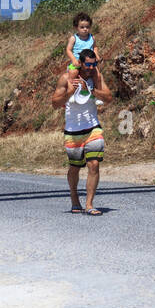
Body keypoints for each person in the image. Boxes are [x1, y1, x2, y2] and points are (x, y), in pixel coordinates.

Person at [51, 49, 112, 214]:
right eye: (88, 64)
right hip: (72, 131)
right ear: (81, 62)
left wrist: (90, 90)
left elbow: (108, 98)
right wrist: (70, 93)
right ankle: (74, 198)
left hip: (93, 128)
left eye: (94, 64)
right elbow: (55, 103)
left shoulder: (96, 78)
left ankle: (89, 204)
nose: (91, 67)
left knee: (94, 164)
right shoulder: (66, 79)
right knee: (74, 168)